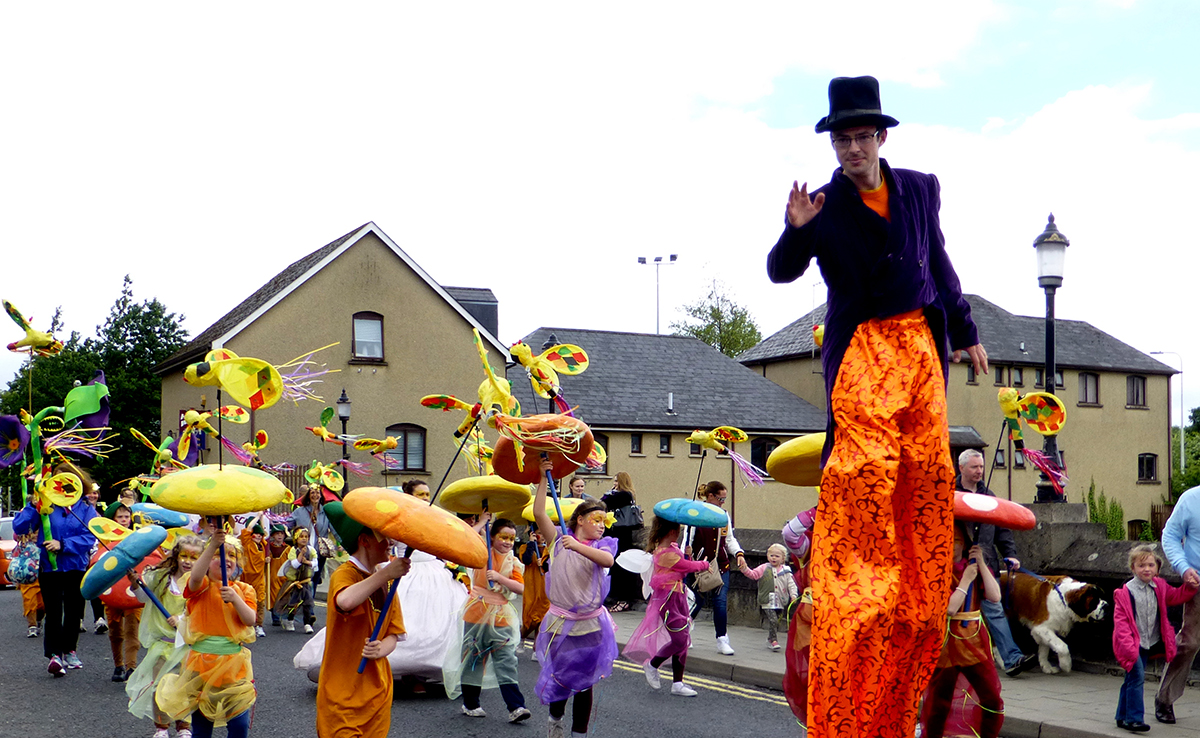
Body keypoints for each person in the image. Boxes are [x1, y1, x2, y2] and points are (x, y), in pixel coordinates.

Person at [766, 74, 986, 738]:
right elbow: (780, 270)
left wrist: (967, 330)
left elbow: (941, 264)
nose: (854, 148)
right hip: (863, 348)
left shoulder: (919, 187)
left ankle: (913, 600)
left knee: (923, 478)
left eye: (864, 136)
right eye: (844, 139)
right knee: (866, 477)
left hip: (919, 344)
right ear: (834, 144)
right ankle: (859, 593)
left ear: (881, 137)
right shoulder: (824, 204)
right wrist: (794, 232)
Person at [531, 457, 618, 738]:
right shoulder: (558, 541)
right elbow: (539, 514)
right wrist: (545, 477)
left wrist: (579, 547)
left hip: (591, 625)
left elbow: (607, 561)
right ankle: (555, 718)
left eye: (604, 521)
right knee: (562, 677)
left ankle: (578, 733)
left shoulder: (601, 545)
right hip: (560, 622)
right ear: (580, 520)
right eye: (596, 520)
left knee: (586, 682)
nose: (602, 525)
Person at [316, 501, 411, 738]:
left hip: (377, 691)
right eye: (383, 537)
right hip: (342, 692)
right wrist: (386, 573)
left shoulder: (388, 582)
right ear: (364, 540)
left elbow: (394, 633)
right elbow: (345, 601)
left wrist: (381, 649)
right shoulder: (345, 573)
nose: (389, 543)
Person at [155, 523, 257, 738]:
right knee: (202, 724)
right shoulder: (201, 587)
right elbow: (194, 576)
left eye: (232, 555)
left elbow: (250, 619)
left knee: (239, 723)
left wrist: (236, 599)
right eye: (220, 555)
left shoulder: (245, 590)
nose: (225, 559)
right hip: (201, 663)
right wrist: (212, 546)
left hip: (233, 664)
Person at [14, 461, 99, 676]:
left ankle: (69, 649)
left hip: (75, 566)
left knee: (73, 610)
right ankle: (53, 656)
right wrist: (34, 505)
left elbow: (90, 536)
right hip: (49, 567)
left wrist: (64, 545)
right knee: (53, 611)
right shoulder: (44, 505)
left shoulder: (85, 507)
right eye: (56, 479)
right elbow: (20, 527)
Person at [444, 517, 531, 723]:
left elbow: (520, 588)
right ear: (492, 538)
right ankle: (471, 703)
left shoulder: (514, 562)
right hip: (476, 613)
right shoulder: (482, 552)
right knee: (474, 658)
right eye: (503, 537)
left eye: (512, 538)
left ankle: (516, 706)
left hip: (501, 616)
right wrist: (483, 521)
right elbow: (467, 538)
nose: (508, 542)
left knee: (507, 660)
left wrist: (500, 579)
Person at [920, 522, 1003, 738]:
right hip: (947, 644)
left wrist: (982, 564)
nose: (953, 546)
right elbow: (950, 608)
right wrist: (965, 580)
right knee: (940, 702)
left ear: (964, 543)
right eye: (948, 540)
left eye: (957, 541)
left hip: (975, 642)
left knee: (991, 698)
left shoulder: (972, 565)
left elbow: (995, 596)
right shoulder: (936, 572)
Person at [956, 449, 1035, 676]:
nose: (979, 471)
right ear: (961, 468)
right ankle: (954, 660)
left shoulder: (989, 495)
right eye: (974, 467)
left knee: (995, 611)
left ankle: (1012, 659)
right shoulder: (949, 494)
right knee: (958, 615)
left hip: (985, 565)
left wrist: (1010, 554)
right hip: (957, 568)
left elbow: (1002, 530)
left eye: (981, 467)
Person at [624, 513, 712, 698]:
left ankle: (678, 683)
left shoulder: (671, 548)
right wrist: (703, 563)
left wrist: (687, 553)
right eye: (678, 530)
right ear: (672, 531)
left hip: (678, 596)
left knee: (684, 638)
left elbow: (682, 563)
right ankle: (652, 664)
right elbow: (686, 566)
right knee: (679, 639)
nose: (679, 534)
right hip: (668, 599)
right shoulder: (666, 553)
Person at [127, 535, 205, 738]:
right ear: (177, 555)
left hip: (188, 645)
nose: (188, 561)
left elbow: (204, 611)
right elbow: (144, 598)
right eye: (184, 556)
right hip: (164, 643)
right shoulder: (162, 577)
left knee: (186, 686)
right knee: (160, 686)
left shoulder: (202, 583)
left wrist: (181, 619)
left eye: (194, 557)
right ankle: (161, 727)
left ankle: (184, 726)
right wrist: (136, 585)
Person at [1118, 544, 1196, 731]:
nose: (1147, 569)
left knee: (1130, 679)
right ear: (1133, 568)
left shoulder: (1159, 586)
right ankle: (1134, 719)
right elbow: (1121, 623)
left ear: (1157, 569)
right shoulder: (1125, 592)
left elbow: (1176, 596)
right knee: (1137, 678)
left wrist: (1191, 587)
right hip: (1131, 643)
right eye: (1141, 565)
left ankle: (1121, 716)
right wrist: (1128, 645)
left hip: (1148, 642)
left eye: (1151, 565)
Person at [1155, 485, 1200, 724]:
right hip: (1198, 583)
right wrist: (1183, 568)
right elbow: (1170, 535)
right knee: (1189, 642)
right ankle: (1164, 698)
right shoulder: (1191, 499)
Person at [687, 481, 745, 655]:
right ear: (710, 496)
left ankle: (722, 639)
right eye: (721, 498)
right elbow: (687, 541)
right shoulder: (695, 514)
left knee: (720, 602)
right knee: (695, 602)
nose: (723, 502)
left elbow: (729, 540)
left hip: (720, 565)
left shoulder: (724, 515)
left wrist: (739, 554)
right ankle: (685, 630)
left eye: (725, 499)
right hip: (699, 566)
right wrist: (686, 557)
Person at [104, 503, 145, 682]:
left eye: (126, 517)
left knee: (132, 630)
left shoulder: (137, 536)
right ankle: (118, 665)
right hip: (112, 589)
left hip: (131, 589)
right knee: (115, 630)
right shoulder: (104, 540)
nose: (123, 520)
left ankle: (131, 667)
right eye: (119, 517)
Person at [739, 543, 798, 651]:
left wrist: (793, 595)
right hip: (767, 600)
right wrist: (745, 569)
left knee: (777, 620)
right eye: (771, 555)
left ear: (783, 558)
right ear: (767, 556)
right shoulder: (763, 568)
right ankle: (773, 640)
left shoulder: (786, 571)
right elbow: (753, 574)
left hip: (781, 600)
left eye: (777, 556)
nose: (774, 558)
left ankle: (770, 637)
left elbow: (791, 584)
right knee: (773, 620)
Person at [601, 471, 642, 612]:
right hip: (616, 534)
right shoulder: (619, 495)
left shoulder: (625, 495)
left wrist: (609, 493)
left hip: (622, 535)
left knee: (620, 567)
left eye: (617, 481)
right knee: (614, 567)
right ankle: (614, 596)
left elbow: (604, 503)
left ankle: (623, 599)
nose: (614, 484)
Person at [276, 526, 317, 633]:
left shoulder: (311, 549)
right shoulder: (293, 550)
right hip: (294, 582)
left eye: (306, 537)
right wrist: (301, 555)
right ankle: (290, 620)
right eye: (301, 537)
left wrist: (308, 562)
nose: (304, 539)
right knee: (292, 602)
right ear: (296, 538)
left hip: (305, 582)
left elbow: (315, 563)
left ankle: (307, 624)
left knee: (307, 603)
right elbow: (294, 564)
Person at [291, 484, 333, 586]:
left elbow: (334, 529)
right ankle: (305, 601)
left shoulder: (326, 512)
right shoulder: (299, 512)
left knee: (314, 581)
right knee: (303, 582)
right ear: (308, 496)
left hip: (319, 553)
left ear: (321, 495)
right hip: (303, 552)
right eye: (312, 493)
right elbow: (287, 524)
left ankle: (310, 601)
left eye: (317, 493)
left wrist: (342, 544)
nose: (315, 495)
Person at [237, 512, 268, 637]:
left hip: (259, 580)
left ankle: (259, 626)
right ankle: (245, 625)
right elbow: (249, 528)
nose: (259, 536)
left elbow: (264, 530)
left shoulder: (262, 545)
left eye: (260, 534)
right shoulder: (246, 542)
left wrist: (262, 517)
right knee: (246, 602)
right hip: (247, 580)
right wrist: (257, 515)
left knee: (260, 602)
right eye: (256, 534)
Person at [265, 523, 290, 626]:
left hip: (283, 577)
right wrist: (265, 559)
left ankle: (284, 615)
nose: (279, 536)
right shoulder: (268, 549)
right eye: (277, 534)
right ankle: (275, 617)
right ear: (273, 536)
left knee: (284, 596)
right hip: (272, 576)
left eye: (281, 534)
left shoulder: (288, 549)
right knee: (273, 596)